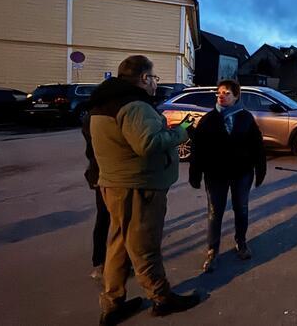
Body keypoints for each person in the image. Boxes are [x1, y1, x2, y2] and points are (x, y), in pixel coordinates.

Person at [89, 55, 199, 325]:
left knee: (118, 245)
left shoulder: (103, 103)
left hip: (114, 185)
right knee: (144, 246)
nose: (154, 84)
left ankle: (113, 303)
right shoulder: (134, 106)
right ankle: (162, 298)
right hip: (138, 188)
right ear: (143, 79)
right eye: (153, 78)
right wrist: (182, 130)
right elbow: (147, 144)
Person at [189, 80, 266, 273]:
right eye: (219, 93)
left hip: (242, 173)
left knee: (241, 209)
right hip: (216, 175)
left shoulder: (246, 118)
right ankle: (212, 251)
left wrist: (260, 169)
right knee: (215, 213)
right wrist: (195, 173)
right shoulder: (208, 119)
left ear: (236, 96)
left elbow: (257, 145)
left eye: (227, 93)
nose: (221, 96)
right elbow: (198, 149)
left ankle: (241, 242)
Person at [81, 113, 110, 282]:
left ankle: (99, 261)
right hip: (111, 175)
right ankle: (110, 263)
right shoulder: (109, 116)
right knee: (120, 222)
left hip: (98, 173)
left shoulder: (91, 116)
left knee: (103, 218)